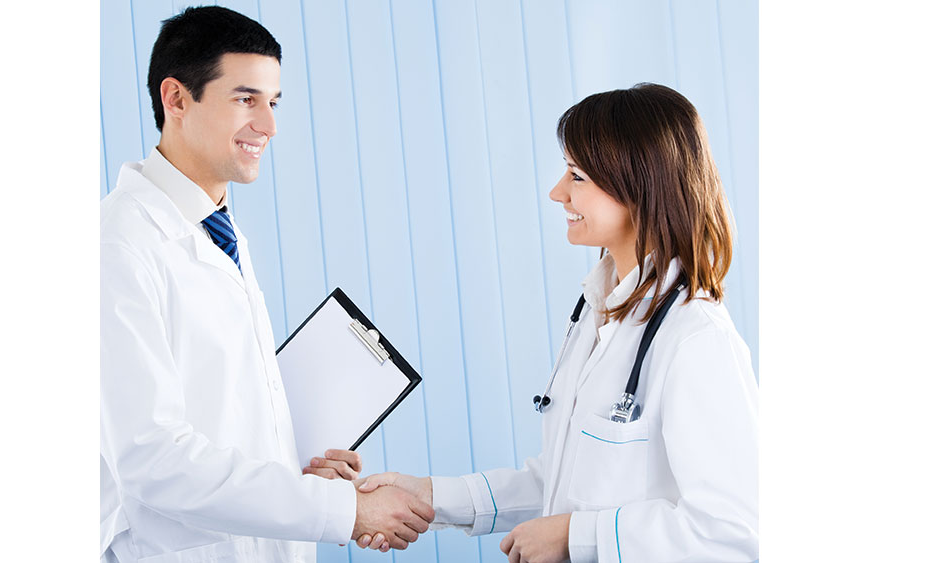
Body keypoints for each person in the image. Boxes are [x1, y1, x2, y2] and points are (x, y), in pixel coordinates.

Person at [355, 83, 759, 562]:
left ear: (639, 184)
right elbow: (562, 485)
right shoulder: (598, 313)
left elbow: (731, 531)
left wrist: (576, 536)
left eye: (577, 176)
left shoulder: (695, 338)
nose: (556, 192)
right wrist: (429, 495)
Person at [100, 7, 432, 563]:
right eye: (245, 99)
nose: (269, 126)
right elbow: (152, 460)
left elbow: (220, 410)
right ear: (176, 98)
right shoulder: (118, 244)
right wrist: (345, 512)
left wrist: (299, 466)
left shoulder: (214, 228)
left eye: (272, 103)